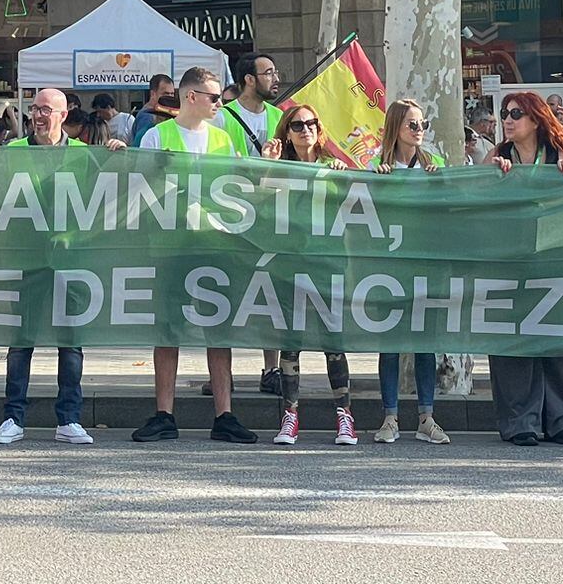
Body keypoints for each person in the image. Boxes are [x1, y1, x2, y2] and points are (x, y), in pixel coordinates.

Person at [134, 67, 254, 444]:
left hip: (215, 245)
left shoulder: (223, 137)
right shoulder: (157, 136)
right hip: (171, 246)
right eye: (214, 97)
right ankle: (164, 414)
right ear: (191, 97)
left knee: (218, 329)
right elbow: (140, 189)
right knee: (167, 328)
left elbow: (242, 185)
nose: (220, 103)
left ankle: (225, 414)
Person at [0, 87, 95, 447]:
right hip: (26, 259)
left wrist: (118, 157)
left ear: (64, 115)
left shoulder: (85, 155)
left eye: (46, 109)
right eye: (34, 109)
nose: (37, 115)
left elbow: (105, 197)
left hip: (70, 260)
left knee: (71, 342)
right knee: (21, 342)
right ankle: (12, 417)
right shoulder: (14, 151)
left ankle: (69, 418)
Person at [489, 94, 563, 445]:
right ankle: (520, 421)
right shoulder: (498, 156)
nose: (508, 120)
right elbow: (474, 194)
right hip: (509, 259)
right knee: (514, 340)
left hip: (555, 256)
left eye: (516, 114)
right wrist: (492, 177)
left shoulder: (559, 155)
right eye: (505, 114)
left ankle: (562, 418)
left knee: (560, 337)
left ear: (536, 120)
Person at [271, 102, 357, 446]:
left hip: (328, 264)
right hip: (290, 263)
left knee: (332, 341)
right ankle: (290, 417)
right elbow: (258, 198)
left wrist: (342, 174)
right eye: (296, 125)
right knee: (290, 343)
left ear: (319, 130)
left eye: (311, 123)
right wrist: (270, 163)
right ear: (287, 135)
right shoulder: (279, 168)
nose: (305, 129)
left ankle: (345, 417)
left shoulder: (333, 168)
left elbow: (359, 207)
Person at [373, 98, 449, 443]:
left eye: (423, 125)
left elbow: (451, 204)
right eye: (412, 125)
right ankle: (390, 418)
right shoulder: (377, 166)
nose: (419, 131)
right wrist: (376, 180)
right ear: (396, 129)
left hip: (424, 263)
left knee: (424, 343)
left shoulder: (434, 165)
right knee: (389, 343)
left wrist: (440, 183)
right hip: (388, 265)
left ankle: (426, 417)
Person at [127, 73, 175, 145]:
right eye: (165, 93)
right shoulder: (147, 117)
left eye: (172, 93)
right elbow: (142, 148)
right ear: (153, 94)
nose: (170, 97)